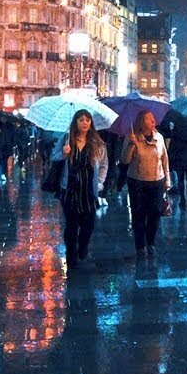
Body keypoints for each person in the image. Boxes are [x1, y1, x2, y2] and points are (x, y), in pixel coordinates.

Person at [52, 109, 108, 270]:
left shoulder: (97, 143)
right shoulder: (66, 139)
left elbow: (104, 164)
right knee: (71, 225)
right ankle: (71, 254)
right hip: (69, 189)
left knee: (88, 224)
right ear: (75, 122)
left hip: (89, 190)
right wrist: (63, 153)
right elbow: (53, 157)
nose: (85, 123)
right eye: (81, 120)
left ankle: (83, 247)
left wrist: (100, 183)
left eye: (87, 120)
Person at [121, 110, 171, 256]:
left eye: (152, 118)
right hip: (138, 181)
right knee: (139, 214)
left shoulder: (159, 137)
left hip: (157, 181)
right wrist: (131, 145)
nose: (152, 120)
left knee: (155, 213)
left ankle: (151, 243)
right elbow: (125, 160)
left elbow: (165, 160)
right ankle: (140, 245)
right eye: (148, 118)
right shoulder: (132, 137)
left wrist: (167, 180)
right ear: (141, 122)